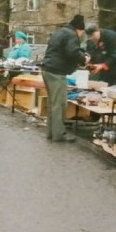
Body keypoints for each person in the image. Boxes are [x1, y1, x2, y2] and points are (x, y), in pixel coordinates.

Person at [42, 14, 89, 143]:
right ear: (79, 29)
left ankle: (51, 133)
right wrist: (84, 58)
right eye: (82, 33)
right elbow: (73, 52)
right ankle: (59, 134)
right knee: (60, 103)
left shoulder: (60, 32)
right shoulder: (71, 35)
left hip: (48, 69)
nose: (81, 35)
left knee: (53, 103)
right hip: (57, 72)